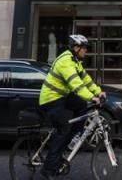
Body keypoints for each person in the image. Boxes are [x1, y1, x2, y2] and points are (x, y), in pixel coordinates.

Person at [38, 34, 106, 178]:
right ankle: (48, 169)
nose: (86, 51)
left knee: (82, 106)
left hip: (62, 97)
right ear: (76, 48)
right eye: (84, 48)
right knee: (63, 128)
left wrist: (98, 92)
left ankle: (71, 138)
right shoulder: (65, 61)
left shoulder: (76, 61)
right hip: (51, 99)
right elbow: (76, 84)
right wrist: (91, 97)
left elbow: (86, 80)